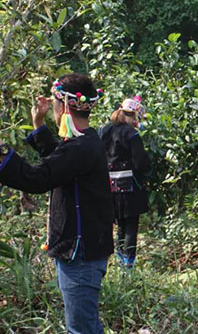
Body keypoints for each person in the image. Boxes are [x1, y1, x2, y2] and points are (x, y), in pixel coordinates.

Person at [0, 73, 113, 334]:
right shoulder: (83, 143)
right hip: (83, 249)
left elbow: (39, 178)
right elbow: (57, 161)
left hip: (80, 253)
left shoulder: (80, 148)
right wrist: (38, 123)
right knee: (85, 325)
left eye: (54, 101)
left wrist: (4, 153)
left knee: (81, 328)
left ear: (63, 106)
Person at [100, 95, 151, 268]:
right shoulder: (131, 134)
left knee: (120, 224)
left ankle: (121, 260)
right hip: (130, 186)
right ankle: (128, 265)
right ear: (134, 115)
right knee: (130, 226)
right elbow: (140, 162)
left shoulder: (105, 130)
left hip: (109, 185)